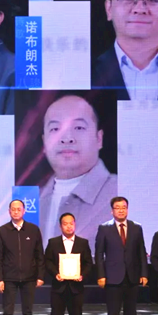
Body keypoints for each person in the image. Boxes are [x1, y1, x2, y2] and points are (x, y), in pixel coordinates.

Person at [38, 94, 118, 246]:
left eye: (79, 127)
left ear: (99, 139)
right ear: (44, 143)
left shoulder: (122, 192)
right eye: (55, 128)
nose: (67, 138)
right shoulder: (31, 202)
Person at [95, 197, 148, 315]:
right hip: (112, 277)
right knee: (113, 314)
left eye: (123, 207)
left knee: (131, 313)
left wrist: (144, 273)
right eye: (117, 207)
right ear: (112, 211)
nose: (121, 210)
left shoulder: (136, 228)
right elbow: (99, 254)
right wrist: (101, 275)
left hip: (132, 276)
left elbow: (141, 252)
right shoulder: (104, 228)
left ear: (127, 209)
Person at [0, 199, 44, 315]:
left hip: (29, 278)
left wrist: (40, 276)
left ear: (24, 211)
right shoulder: (2, 231)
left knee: (27, 313)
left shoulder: (33, 230)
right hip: (9, 278)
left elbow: (39, 255)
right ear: (9, 211)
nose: (16, 212)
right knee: (8, 313)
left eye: (19, 209)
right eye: (13, 209)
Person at [44, 212, 93, 315]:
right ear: (60, 226)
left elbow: (88, 263)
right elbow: (47, 261)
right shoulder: (53, 242)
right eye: (65, 224)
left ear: (75, 225)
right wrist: (55, 273)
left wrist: (82, 275)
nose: (69, 226)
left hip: (76, 288)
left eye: (71, 223)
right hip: (58, 287)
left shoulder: (83, 243)